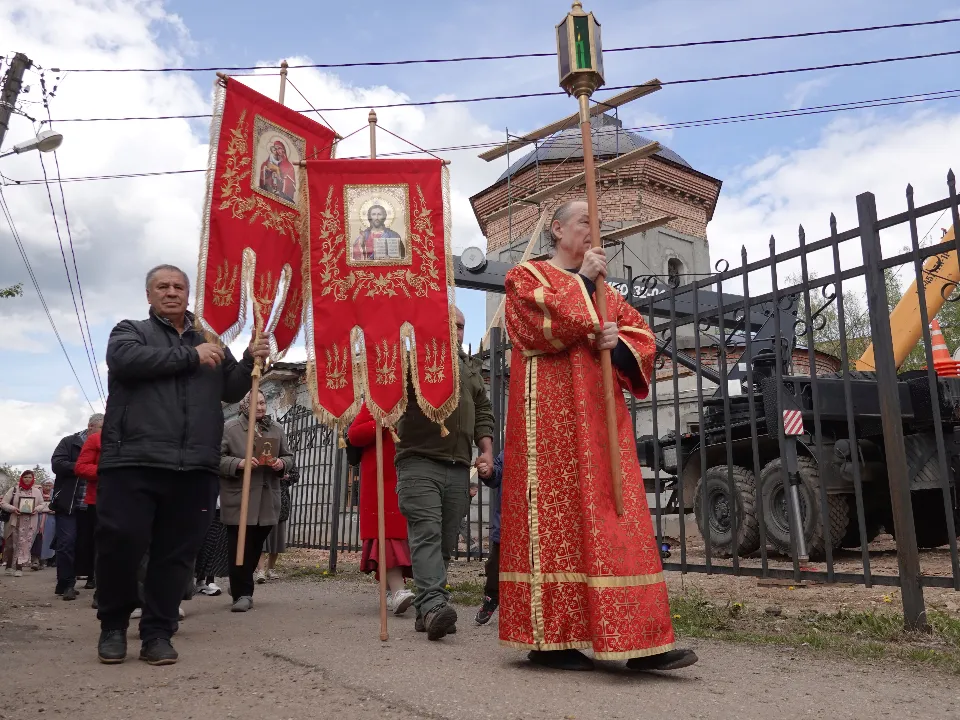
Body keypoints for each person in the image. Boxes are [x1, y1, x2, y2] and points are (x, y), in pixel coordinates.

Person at [499, 200, 698, 672]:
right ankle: (553, 641)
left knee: (617, 516)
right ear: (557, 228)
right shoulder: (527, 277)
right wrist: (585, 285)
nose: (595, 230)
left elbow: (642, 337)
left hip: (599, 425)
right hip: (546, 431)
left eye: (599, 223)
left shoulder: (605, 291)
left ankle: (640, 640)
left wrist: (619, 345)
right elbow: (538, 326)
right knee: (556, 524)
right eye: (586, 221)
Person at [94, 264, 268, 666]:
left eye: (178, 286)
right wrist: (191, 356)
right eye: (162, 286)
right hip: (134, 461)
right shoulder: (130, 330)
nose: (171, 292)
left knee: (176, 555)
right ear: (149, 295)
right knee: (122, 545)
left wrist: (249, 359)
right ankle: (114, 626)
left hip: (194, 466)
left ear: (187, 294)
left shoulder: (210, 339)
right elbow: (125, 361)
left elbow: (231, 387)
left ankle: (158, 632)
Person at [395, 307, 494, 640]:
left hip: (457, 466)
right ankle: (436, 604)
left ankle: (425, 609)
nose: (456, 331)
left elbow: (483, 409)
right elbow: (388, 393)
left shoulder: (470, 369)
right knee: (427, 533)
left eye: (461, 327)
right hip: (419, 461)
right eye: (449, 325)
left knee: (447, 540)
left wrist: (486, 452)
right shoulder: (412, 361)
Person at [219, 389, 292, 613]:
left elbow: (288, 456)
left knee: (254, 546)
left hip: (267, 499)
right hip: (239, 499)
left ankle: (239, 582)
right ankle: (243, 594)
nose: (260, 407)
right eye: (255, 403)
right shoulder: (230, 428)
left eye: (262, 403)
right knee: (239, 547)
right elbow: (215, 459)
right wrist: (239, 464)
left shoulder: (276, 429)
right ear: (244, 405)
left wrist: (281, 464)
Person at [347, 402, 415, 615]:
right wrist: (381, 422)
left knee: (402, 536)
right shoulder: (375, 404)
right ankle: (397, 591)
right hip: (379, 481)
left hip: (406, 476)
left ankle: (390, 590)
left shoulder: (414, 401)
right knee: (388, 536)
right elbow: (354, 435)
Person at [51, 413, 103, 601]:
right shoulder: (69, 442)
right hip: (69, 503)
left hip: (94, 504)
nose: (104, 434)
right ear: (90, 427)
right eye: (101, 429)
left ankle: (95, 581)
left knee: (95, 544)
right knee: (66, 543)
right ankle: (67, 584)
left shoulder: (107, 444)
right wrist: (83, 467)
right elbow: (57, 464)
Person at [255, 463, 298, 584]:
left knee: (276, 538)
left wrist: (286, 476)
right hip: (262, 501)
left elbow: (295, 476)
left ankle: (271, 568)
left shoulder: (286, 459)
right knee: (261, 539)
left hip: (281, 500)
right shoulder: (260, 457)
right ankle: (260, 570)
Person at [1, 471, 50, 576]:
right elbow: (3, 503)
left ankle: (19, 568)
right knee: (14, 544)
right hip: (15, 522)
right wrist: (13, 509)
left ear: (33, 479)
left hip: (30, 523)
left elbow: (42, 504)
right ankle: (11, 566)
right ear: (21, 478)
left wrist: (36, 509)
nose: (27, 479)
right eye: (25, 477)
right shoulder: (14, 490)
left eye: (29, 477)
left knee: (25, 545)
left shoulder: (36, 491)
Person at [475, 450, 503, 626]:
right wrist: (489, 471)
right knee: (495, 565)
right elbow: (497, 474)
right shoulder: (511, 449)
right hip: (508, 523)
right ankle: (492, 597)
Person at [74, 427, 102, 602]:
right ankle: (103, 592)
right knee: (103, 546)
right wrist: (107, 470)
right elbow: (81, 468)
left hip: (136, 499)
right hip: (101, 500)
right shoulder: (95, 439)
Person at [194, 493, 228, 596]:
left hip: (219, 502)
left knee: (216, 541)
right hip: (200, 499)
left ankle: (209, 580)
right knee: (201, 541)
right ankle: (197, 580)